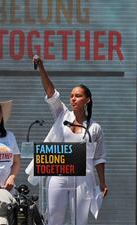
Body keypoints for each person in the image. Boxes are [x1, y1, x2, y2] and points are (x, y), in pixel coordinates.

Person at [30, 55, 108, 225]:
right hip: (59, 174)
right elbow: (51, 94)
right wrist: (41, 69)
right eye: (72, 95)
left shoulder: (95, 128)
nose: (73, 98)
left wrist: (102, 182)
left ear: (87, 100)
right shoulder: (62, 114)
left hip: (83, 178)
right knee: (54, 219)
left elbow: (99, 158)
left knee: (79, 221)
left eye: (78, 96)